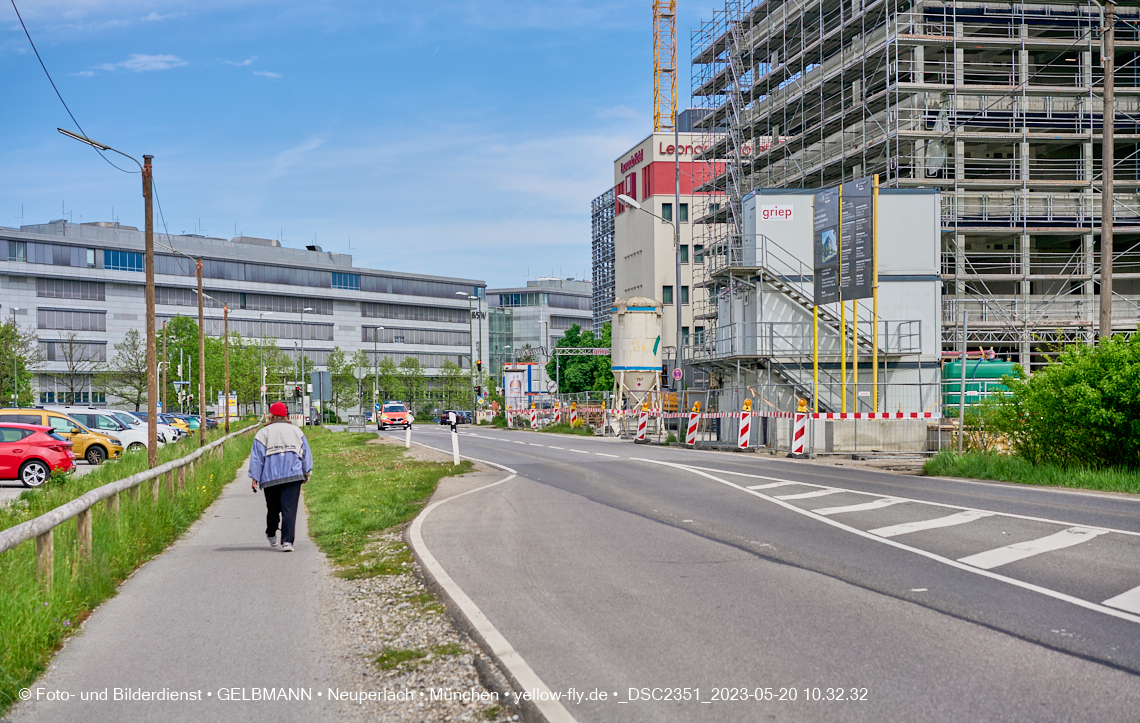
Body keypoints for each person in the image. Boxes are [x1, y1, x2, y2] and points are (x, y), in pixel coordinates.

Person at [249, 402, 313, 552]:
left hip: (270, 477)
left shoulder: (263, 433)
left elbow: (257, 458)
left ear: (271, 415)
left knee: (273, 509)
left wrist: (255, 478)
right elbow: (305, 453)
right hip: (293, 475)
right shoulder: (297, 431)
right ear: (285, 414)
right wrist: (306, 471)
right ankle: (287, 542)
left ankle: (272, 533)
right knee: (289, 510)